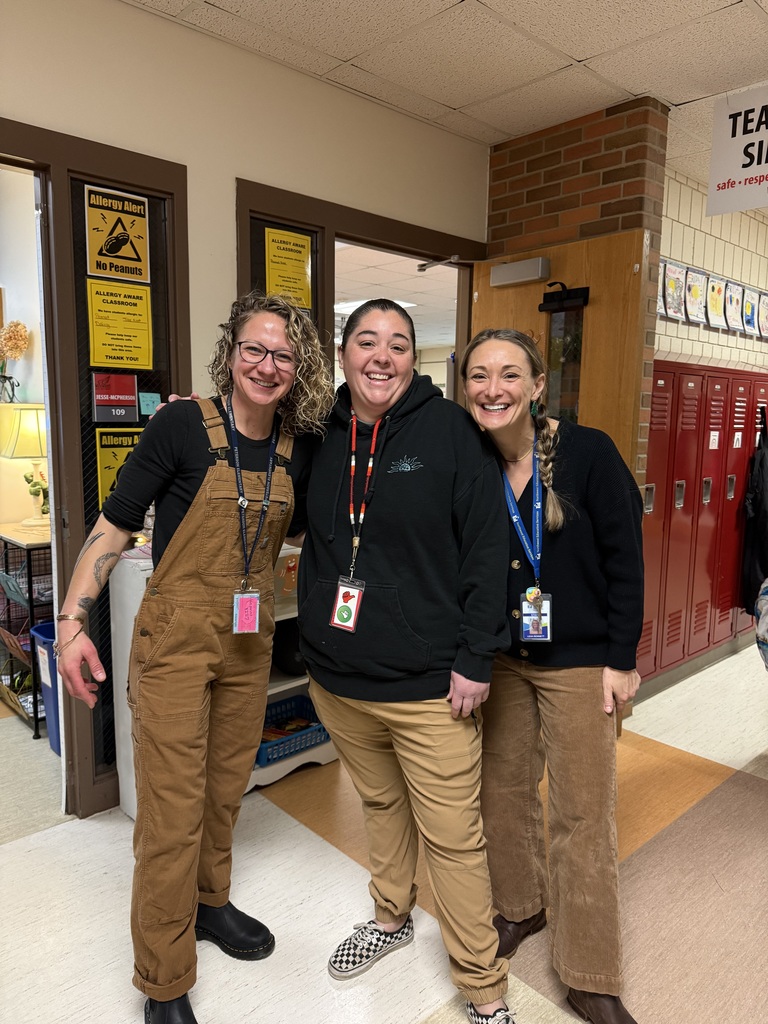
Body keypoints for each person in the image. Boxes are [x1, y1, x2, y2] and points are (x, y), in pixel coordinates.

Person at [56, 292, 334, 1024]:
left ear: (298, 367)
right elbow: (115, 527)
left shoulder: (297, 447)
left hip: (247, 645)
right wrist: (71, 621)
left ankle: (209, 905)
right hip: (175, 646)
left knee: (222, 793)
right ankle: (164, 977)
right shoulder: (182, 424)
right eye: (254, 349)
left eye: (282, 354)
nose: (266, 365)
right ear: (230, 352)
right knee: (173, 813)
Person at [297, 299, 514, 1024]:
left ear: (413, 358)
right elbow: (260, 470)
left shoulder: (451, 432)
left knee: (454, 841)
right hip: (337, 680)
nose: (381, 356)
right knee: (381, 807)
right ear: (344, 352)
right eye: (367, 341)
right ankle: (390, 918)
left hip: (430, 688)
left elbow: (488, 551)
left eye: (398, 343)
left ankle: (484, 991)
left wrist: (475, 658)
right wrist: (201, 423)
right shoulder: (318, 432)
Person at [460, 328, 644, 1024]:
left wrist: (623, 660)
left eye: (510, 374)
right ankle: (520, 907)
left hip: (580, 662)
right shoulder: (471, 459)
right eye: (479, 375)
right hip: (507, 659)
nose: (493, 388)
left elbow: (627, 558)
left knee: (581, 814)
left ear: (539, 386)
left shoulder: (588, 453)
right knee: (501, 793)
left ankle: (589, 973)